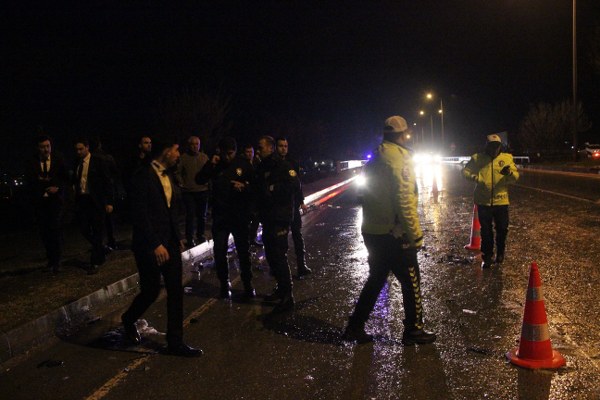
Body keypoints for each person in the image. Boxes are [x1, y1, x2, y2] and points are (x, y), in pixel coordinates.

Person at [342, 116, 436, 345]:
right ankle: (414, 329)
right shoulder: (400, 160)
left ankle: (355, 326)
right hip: (394, 233)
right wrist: (415, 234)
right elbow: (404, 201)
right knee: (411, 279)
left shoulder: (376, 156)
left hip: (373, 231)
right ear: (402, 135)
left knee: (376, 279)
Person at [121, 137, 202, 357]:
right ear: (166, 151)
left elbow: (171, 211)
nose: (179, 154)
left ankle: (175, 342)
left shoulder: (171, 175)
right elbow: (139, 215)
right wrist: (155, 244)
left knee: (176, 290)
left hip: (170, 244)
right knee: (151, 290)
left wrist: (177, 237)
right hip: (149, 245)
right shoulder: (142, 176)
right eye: (176, 150)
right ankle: (128, 319)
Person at [196, 137, 255, 299]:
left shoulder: (243, 164)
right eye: (224, 154)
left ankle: (248, 284)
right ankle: (224, 284)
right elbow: (199, 179)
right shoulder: (215, 165)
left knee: (243, 252)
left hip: (239, 216)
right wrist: (210, 165)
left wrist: (244, 187)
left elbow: (256, 186)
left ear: (235, 151)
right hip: (221, 217)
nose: (227, 157)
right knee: (220, 252)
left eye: (230, 153)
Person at [255, 135, 300, 313]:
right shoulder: (262, 165)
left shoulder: (282, 165)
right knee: (271, 255)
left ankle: (288, 295)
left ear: (270, 148)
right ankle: (280, 289)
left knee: (279, 254)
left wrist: (273, 189)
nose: (258, 150)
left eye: (261, 147)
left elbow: (293, 184)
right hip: (267, 216)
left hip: (280, 216)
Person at [462, 134, 520, 268]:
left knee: (502, 229)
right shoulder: (477, 159)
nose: (494, 149)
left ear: (500, 146)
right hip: (483, 202)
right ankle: (487, 256)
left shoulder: (506, 158)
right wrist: (475, 178)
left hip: (501, 201)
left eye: (497, 146)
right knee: (486, 231)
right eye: (491, 146)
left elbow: (515, 177)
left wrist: (509, 174)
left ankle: (500, 253)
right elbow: (465, 172)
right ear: (486, 146)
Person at [24, 135, 69, 274]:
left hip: (55, 201)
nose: (46, 149)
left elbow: (66, 178)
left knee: (55, 229)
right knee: (44, 232)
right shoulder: (32, 161)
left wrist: (58, 188)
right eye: (43, 147)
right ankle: (50, 259)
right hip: (40, 202)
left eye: (48, 146)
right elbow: (30, 181)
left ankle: (57, 261)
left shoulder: (58, 159)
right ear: (38, 148)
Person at [73, 138, 114, 275]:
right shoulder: (77, 164)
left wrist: (109, 202)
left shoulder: (98, 161)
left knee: (97, 230)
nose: (78, 152)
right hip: (83, 201)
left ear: (87, 147)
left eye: (81, 149)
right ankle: (101, 249)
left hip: (97, 201)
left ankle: (95, 261)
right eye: (76, 149)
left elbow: (107, 181)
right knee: (84, 228)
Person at [275, 137, 312, 277]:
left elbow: (298, 184)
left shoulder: (292, 162)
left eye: (285, 146)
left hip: (293, 206)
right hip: (279, 207)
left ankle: (301, 265)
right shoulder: (273, 163)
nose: (283, 148)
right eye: (280, 146)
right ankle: (280, 271)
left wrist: (301, 201)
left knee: (297, 236)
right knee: (281, 240)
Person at [176, 135, 210, 248]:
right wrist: (182, 183)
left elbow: (210, 171)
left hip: (202, 190)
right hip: (189, 192)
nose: (195, 146)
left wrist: (208, 182)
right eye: (192, 144)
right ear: (188, 145)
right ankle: (189, 238)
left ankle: (200, 235)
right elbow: (177, 172)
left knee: (202, 215)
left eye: (197, 144)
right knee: (190, 216)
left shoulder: (204, 157)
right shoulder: (183, 158)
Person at [91, 138, 121, 250]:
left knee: (100, 221)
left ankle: (101, 243)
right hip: (107, 191)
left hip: (98, 193)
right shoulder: (107, 158)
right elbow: (115, 173)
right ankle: (111, 241)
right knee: (109, 219)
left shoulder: (93, 159)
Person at [243, 143, 261, 246]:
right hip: (246, 196)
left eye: (251, 152)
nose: (250, 154)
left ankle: (252, 239)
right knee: (247, 218)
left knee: (256, 218)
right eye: (247, 152)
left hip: (255, 195)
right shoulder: (242, 164)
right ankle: (246, 239)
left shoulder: (256, 163)